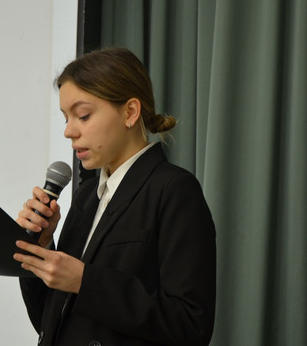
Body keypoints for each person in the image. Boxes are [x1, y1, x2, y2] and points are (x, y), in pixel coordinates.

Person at [13, 47, 216, 346]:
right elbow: (50, 323)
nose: (69, 131)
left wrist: (85, 282)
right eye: (66, 118)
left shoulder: (174, 190)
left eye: (83, 115)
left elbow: (190, 325)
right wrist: (41, 246)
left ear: (130, 112)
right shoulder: (85, 197)